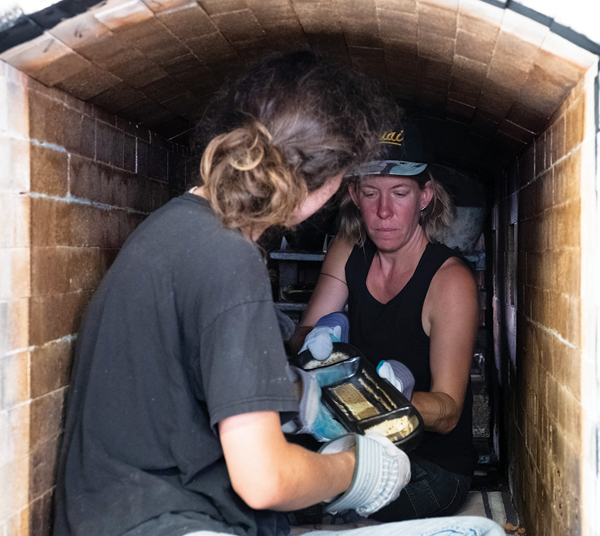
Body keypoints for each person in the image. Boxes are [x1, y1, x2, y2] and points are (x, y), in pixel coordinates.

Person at [52, 51, 502, 536]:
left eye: (398, 192)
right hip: (168, 522)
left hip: (124, 509)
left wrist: (300, 389)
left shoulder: (178, 226)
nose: (379, 208)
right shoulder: (229, 261)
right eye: (357, 186)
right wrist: (354, 469)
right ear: (321, 181)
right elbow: (265, 480)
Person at [290, 121, 480, 522]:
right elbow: (304, 337)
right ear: (354, 195)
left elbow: (447, 412)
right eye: (371, 192)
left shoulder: (450, 281)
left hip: (429, 467)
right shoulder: (348, 250)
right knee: (264, 477)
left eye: (400, 193)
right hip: (353, 442)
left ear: (425, 196)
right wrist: (318, 341)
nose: (384, 211)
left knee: (325, 506)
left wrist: (378, 397)